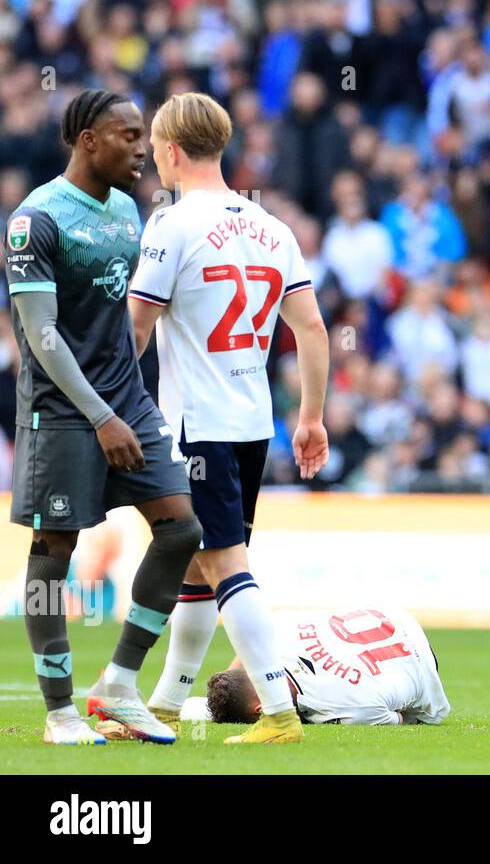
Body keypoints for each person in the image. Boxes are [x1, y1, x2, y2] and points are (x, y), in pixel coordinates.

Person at [125, 92, 331, 744]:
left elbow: (136, 325)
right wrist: (313, 418)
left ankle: (277, 711)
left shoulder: (171, 225)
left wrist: (109, 403)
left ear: (173, 151)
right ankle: (161, 707)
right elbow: (313, 329)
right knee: (195, 565)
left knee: (223, 563)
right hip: (252, 422)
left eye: (155, 149)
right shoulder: (272, 228)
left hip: (198, 423)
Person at [4, 89, 203, 745]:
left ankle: (119, 683)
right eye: (128, 135)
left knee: (180, 529)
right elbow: (43, 337)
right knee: (52, 553)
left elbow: (118, 311)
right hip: (62, 411)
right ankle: (60, 710)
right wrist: (99, 417)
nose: (143, 148)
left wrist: (128, 402)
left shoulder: (126, 210)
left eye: (144, 135)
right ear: (88, 138)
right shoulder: (37, 220)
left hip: (127, 400)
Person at [199, 604, 450, 727]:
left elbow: (403, 720)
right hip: (393, 615)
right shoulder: (277, 631)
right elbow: (252, 637)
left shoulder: (340, 710)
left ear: (260, 710)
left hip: (426, 669)